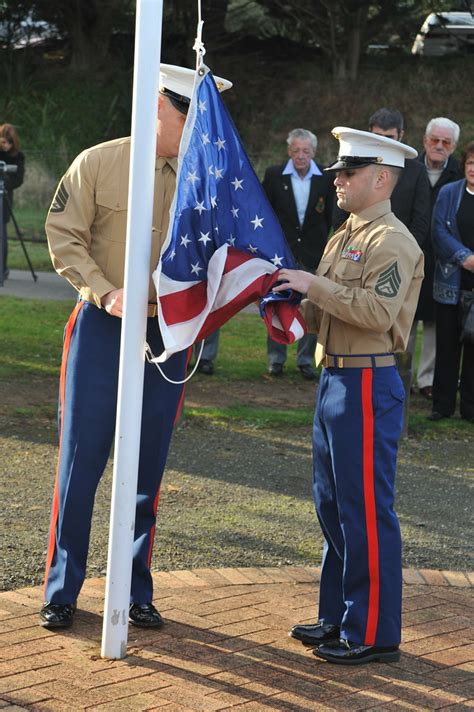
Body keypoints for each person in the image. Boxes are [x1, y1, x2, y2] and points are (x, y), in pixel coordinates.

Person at [40, 65, 232, 630]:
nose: (200, 127)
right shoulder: (100, 161)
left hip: (167, 336)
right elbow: (64, 236)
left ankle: (133, 588)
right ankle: (61, 590)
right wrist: (104, 293)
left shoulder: (207, 177)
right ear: (157, 108)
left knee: (148, 466)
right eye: (189, 114)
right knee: (82, 461)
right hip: (103, 328)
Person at [274, 127, 424, 665]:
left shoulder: (395, 241)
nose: (336, 180)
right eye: (338, 171)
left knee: (365, 507)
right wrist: (289, 298)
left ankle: (374, 631)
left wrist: (312, 286)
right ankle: (338, 613)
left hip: (367, 381)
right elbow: (327, 309)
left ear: (381, 179)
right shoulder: (345, 235)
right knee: (333, 504)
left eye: (348, 172)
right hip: (335, 377)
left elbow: (376, 313)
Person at [262, 128, 334, 380]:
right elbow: (265, 213)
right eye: (296, 150)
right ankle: (276, 359)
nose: (300, 156)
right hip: (283, 253)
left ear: (313, 152)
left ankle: (305, 359)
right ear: (288, 151)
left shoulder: (326, 177)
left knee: (311, 306)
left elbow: (331, 216)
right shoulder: (274, 176)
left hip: (314, 252)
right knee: (277, 303)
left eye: (305, 151)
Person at [408, 117, 462, 398]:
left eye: (446, 142)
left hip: (442, 261)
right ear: (425, 141)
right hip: (411, 253)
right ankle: (401, 372)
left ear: (453, 147)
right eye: (434, 140)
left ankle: (426, 379)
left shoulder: (458, 175)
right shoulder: (411, 168)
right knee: (406, 317)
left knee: (434, 324)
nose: (439, 146)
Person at [429, 141, 474, 423]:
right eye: (471, 163)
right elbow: (437, 232)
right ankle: (442, 405)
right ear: (464, 166)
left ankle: (470, 408)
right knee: (446, 346)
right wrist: (465, 257)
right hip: (450, 283)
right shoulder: (449, 193)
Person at [0, 123, 25, 279]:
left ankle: (2, 269)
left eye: (9, 143)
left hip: (4, 198)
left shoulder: (18, 157)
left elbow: (18, 179)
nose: (6, 146)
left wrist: (4, 183)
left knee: (1, 234)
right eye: (3, 142)